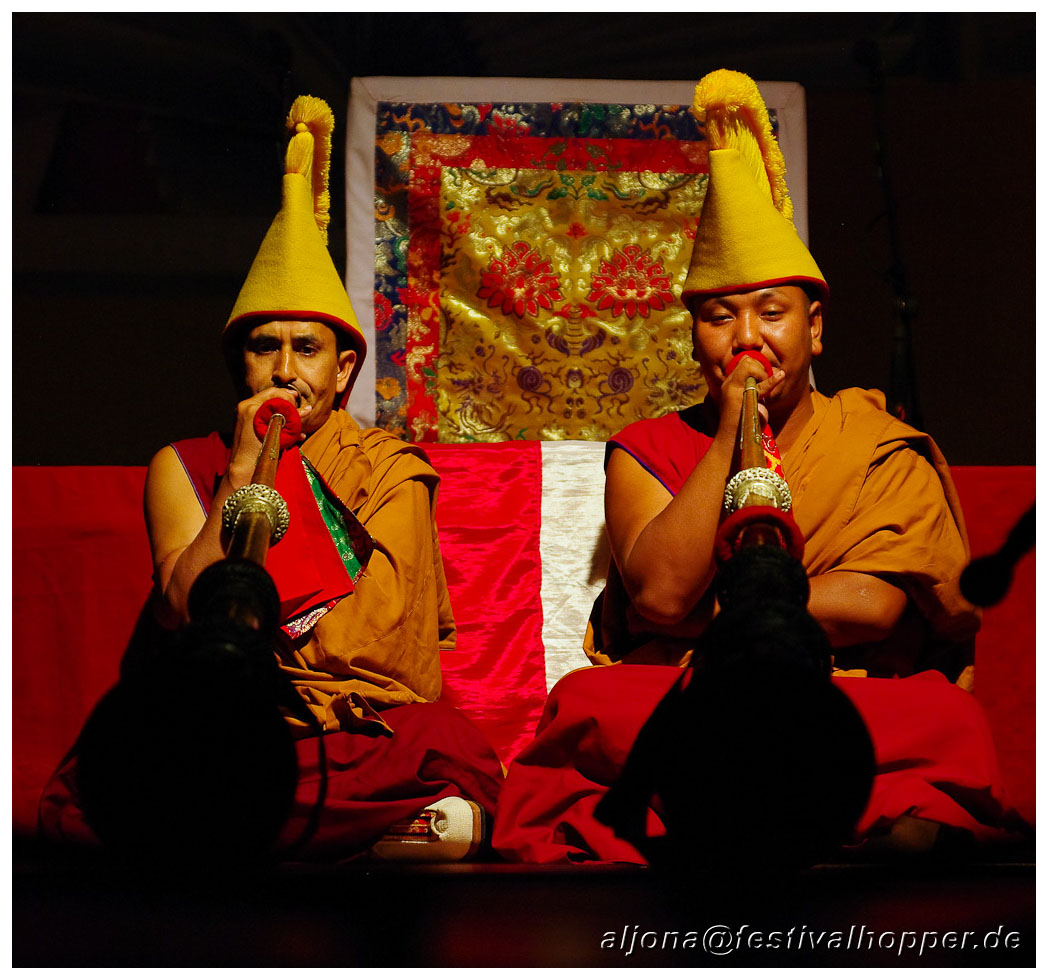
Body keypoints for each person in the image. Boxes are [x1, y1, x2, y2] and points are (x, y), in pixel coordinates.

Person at [492, 69, 1021, 864]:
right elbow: (664, 596)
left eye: (771, 314)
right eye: (719, 317)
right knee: (588, 700)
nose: (746, 338)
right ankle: (864, 812)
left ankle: (699, 814)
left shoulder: (874, 439)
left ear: (815, 330)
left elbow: (875, 609)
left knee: (948, 719)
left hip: (838, 687)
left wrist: (734, 620)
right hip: (695, 690)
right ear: (693, 336)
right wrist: (733, 430)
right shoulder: (649, 444)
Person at [39, 96, 502, 862]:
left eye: (307, 348)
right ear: (239, 365)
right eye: (265, 347)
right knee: (127, 760)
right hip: (218, 712)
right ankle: (356, 835)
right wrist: (247, 470)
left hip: (342, 730)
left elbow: (391, 652)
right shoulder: (184, 465)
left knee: (440, 742)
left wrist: (293, 680)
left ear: (345, 365)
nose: (286, 369)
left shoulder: (391, 470)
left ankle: (240, 829)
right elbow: (185, 608)